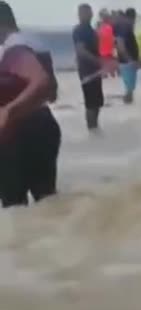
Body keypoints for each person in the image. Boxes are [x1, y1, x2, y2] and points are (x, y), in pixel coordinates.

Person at [0, 1, 61, 207]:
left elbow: (40, 79)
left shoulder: (13, 49)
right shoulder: (35, 44)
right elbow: (51, 91)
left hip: (20, 133)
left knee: (14, 210)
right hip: (43, 125)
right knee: (47, 206)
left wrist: (10, 108)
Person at [73, 4, 105, 132]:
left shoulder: (91, 30)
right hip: (87, 71)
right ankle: (91, 128)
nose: (89, 14)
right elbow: (80, 51)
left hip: (95, 70)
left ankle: (95, 129)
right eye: (86, 12)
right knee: (91, 102)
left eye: (90, 12)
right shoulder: (79, 30)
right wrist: (97, 60)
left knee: (98, 101)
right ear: (80, 14)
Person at [114, 8, 139, 104]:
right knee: (130, 87)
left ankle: (129, 104)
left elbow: (118, 43)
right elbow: (120, 43)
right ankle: (128, 102)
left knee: (129, 86)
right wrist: (129, 59)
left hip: (125, 59)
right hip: (127, 60)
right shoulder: (125, 26)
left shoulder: (122, 26)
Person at [97, 9, 116, 78]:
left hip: (107, 44)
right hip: (104, 44)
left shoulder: (109, 24)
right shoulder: (101, 24)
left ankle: (110, 73)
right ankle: (108, 74)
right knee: (106, 60)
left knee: (109, 59)